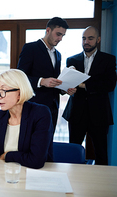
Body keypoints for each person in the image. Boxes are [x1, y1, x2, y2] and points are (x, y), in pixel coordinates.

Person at [62, 26, 117, 165]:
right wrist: (70, 88)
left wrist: (83, 85)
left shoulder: (108, 59)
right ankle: (73, 184)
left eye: (90, 38)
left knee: (101, 154)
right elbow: (68, 83)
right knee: (73, 152)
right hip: (76, 113)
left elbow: (109, 85)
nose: (86, 41)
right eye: (84, 38)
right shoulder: (72, 60)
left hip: (99, 114)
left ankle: (101, 185)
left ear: (98, 40)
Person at [17, 17, 76, 134]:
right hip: (33, 107)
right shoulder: (30, 48)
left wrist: (64, 89)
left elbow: (54, 81)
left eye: (63, 36)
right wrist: (41, 81)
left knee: (48, 145)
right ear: (48, 30)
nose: (60, 39)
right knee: (33, 144)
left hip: (53, 108)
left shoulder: (58, 55)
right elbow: (19, 78)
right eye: (58, 34)